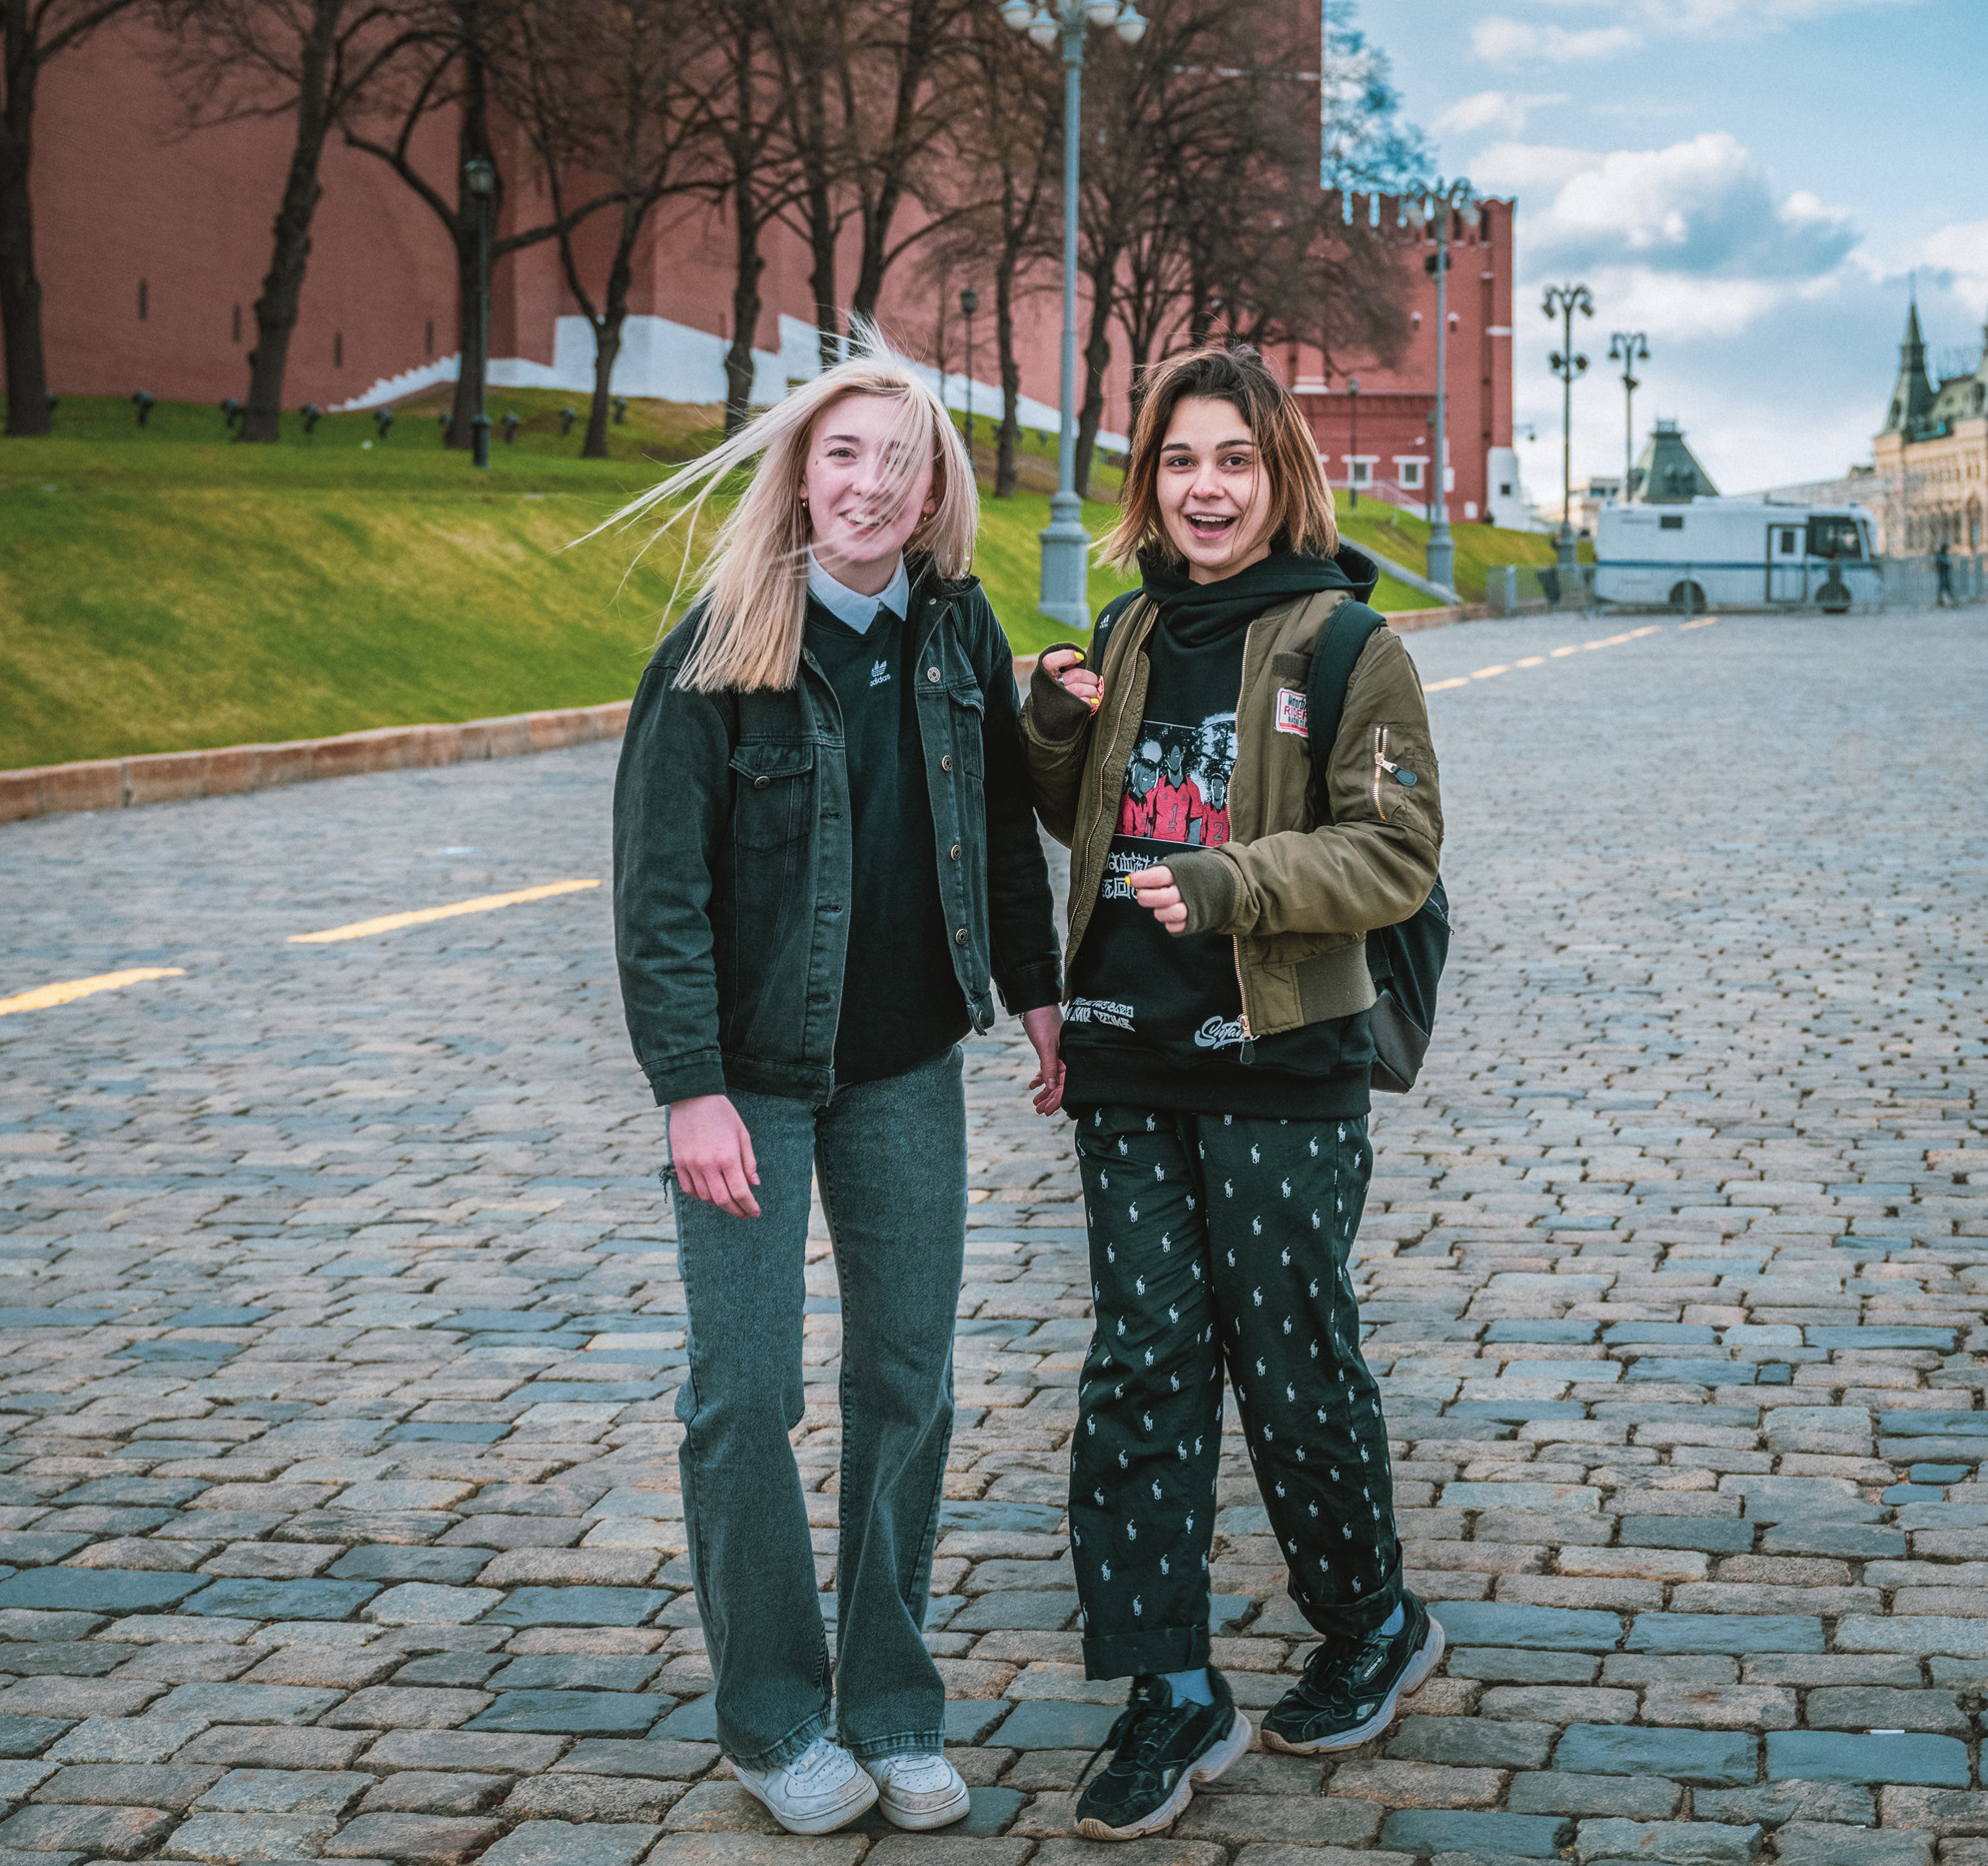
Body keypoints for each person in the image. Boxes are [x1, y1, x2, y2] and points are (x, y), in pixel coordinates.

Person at [608, 355, 1064, 1836]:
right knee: (745, 1392)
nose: (868, 484)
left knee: (906, 1383)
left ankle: (888, 1706)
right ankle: (774, 1718)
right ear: (802, 474)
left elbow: (1002, 825)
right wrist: (689, 1090)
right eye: (843, 454)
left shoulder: (956, 630)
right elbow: (659, 898)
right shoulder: (714, 650)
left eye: (898, 460)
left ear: (932, 493)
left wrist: (1038, 991)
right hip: (749, 1084)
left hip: (906, 1067)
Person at [1019, 343, 1447, 1842]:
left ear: (1282, 475)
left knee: (1289, 1353)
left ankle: (1371, 1619)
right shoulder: (1128, 626)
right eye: (1180, 460)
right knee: (1138, 1365)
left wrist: (1229, 883)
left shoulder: (1348, 646)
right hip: (1127, 1051)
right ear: (1150, 481)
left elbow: (1393, 853)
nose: (1206, 488)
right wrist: (1053, 726)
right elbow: (1089, 814)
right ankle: (1169, 1686)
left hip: (1279, 1060)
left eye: (1235, 460)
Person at [1936, 541, 1956, 607]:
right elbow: (1940, 564)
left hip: (1946, 574)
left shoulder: (1945, 555)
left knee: (1947, 588)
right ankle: (1941, 601)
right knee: (1943, 588)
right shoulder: (1940, 555)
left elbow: (1949, 564)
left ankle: (1951, 601)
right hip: (1942, 574)